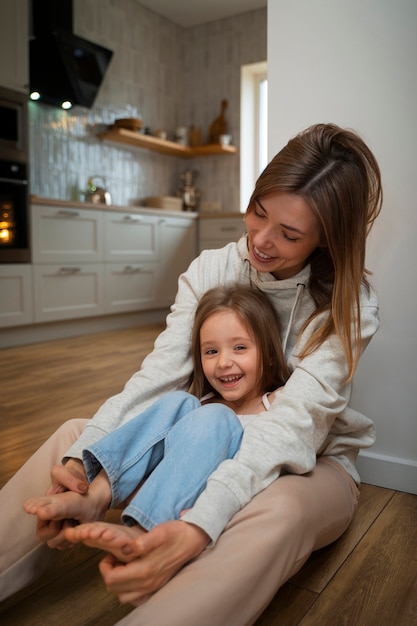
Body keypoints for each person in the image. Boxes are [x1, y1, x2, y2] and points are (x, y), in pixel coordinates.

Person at [0, 123, 382, 626]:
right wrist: (83, 462)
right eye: (258, 213)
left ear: (327, 239)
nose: (261, 241)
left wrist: (201, 524)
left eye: (289, 234)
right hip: (200, 441)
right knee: (77, 438)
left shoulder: (348, 304)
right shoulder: (211, 270)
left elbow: (291, 427)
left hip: (305, 464)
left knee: (280, 508)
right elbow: (159, 377)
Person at [23, 285, 289, 541]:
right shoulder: (198, 405)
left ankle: (144, 528)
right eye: (211, 351)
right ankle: (97, 496)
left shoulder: (277, 404)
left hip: (220, 493)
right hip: (166, 483)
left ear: (268, 355)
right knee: (179, 401)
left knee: (215, 416)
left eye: (240, 347)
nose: (223, 362)